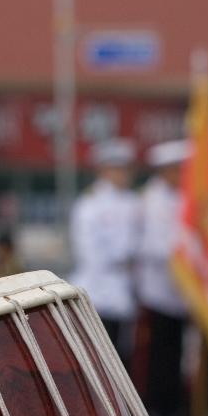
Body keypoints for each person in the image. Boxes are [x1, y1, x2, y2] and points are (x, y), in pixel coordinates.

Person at [136, 140, 190, 416]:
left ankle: (172, 412)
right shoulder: (151, 199)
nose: (178, 175)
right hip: (157, 290)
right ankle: (155, 412)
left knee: (176, 355)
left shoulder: (184, 197)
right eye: (173, 170)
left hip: (181, 293)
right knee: (155, 357)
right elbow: (155, 245)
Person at [70, 138, 141, 360]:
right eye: (117, 168)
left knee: (123, 359)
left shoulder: (133, 201)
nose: (124, 174)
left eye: (126, 168)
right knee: (99, 359)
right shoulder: (89, 204)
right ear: (103, 170)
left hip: (125, 291)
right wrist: (121, 258)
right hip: (97, 293)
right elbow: (88, 252)